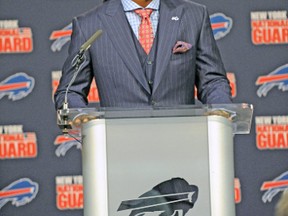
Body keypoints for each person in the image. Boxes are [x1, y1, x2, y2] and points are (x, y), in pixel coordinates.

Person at [54, 0, 232, 109]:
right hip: (118, 150)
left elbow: (212, 81)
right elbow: (70, 92)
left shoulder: (194, 16)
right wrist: (84, 121)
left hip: (181, 145)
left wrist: (222, 110)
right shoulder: (89, 25)